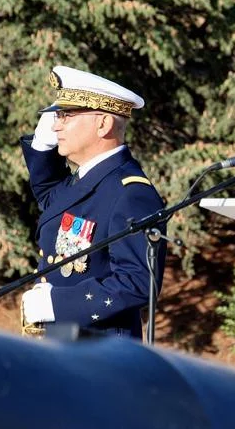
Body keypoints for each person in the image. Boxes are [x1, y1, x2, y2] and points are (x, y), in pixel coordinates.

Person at [19, 65, 165, 340]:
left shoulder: (131, 193)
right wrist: (41, 147)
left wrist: (57, 305)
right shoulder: (86, 179)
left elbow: (138, 281)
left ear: (103, 124)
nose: (56, 125)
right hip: (66, 343)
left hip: (99, 348)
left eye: (66, 115)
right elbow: (50, 197)